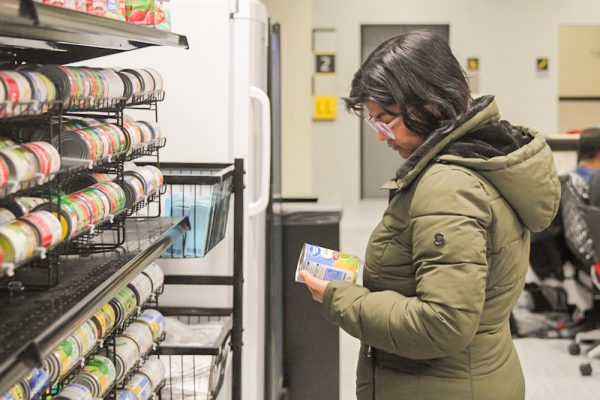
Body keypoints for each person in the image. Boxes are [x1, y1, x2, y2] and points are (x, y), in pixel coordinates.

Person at [300, 31, 561, 400]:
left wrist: (339, 296)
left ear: (428, 104)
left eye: (386, 120)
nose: (380, 136)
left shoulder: (449, 186)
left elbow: (443, 323)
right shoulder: (479, 159)